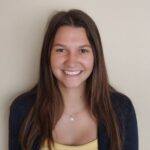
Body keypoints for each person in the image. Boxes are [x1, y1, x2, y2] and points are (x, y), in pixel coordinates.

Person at [9, 9, 138, 150]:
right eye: (61, 50)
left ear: (96, 56)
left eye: (82, 50)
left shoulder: (122, 110)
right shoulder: (22, 109)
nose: (71, 62)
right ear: (48, 54)